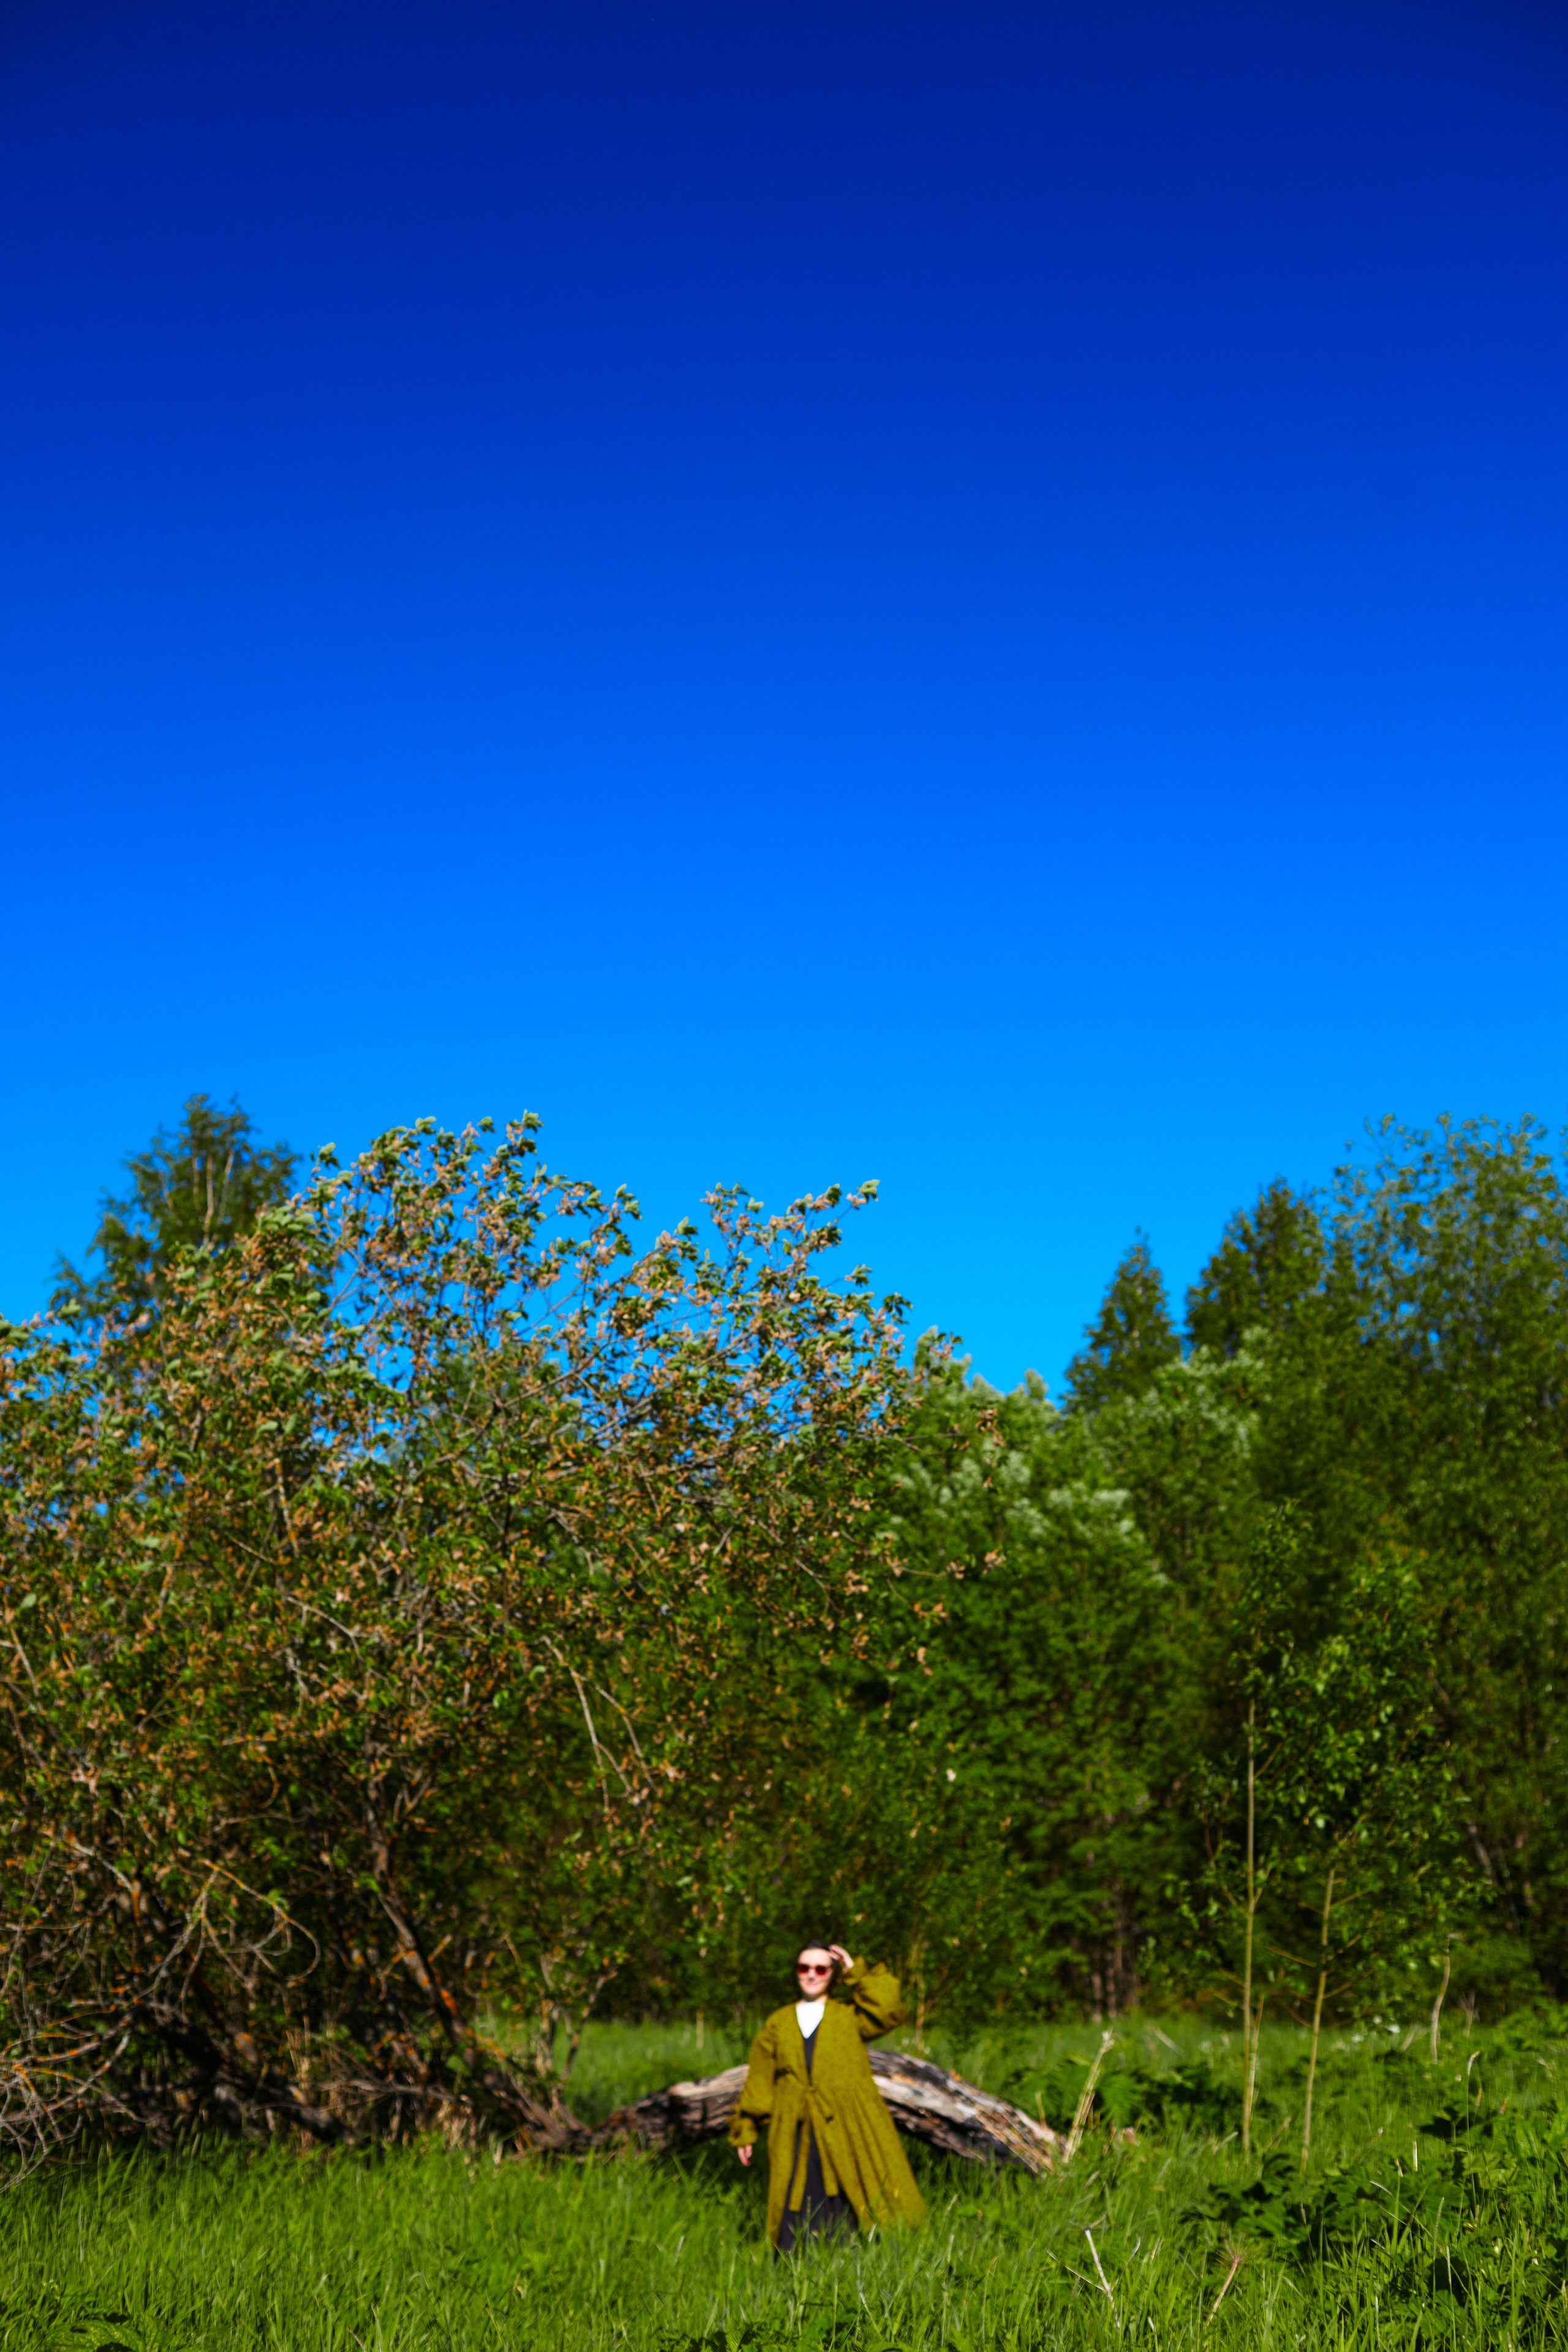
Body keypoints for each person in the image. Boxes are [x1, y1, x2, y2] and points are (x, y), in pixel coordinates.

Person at [729, 1939, 927, 2253]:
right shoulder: (778, 2022)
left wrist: (856, 1973)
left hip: (847, 2120)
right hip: (792, 2124)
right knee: (796, 2180)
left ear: (832, 1974)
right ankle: (793, 2255)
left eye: (821, 1968)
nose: (811, 1974)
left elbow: (889, 2010)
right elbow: (761, 2077)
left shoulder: (850, 2016)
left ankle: (855, 2250)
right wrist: (747, 2126)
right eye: (804, 1967)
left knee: (851, 2177)